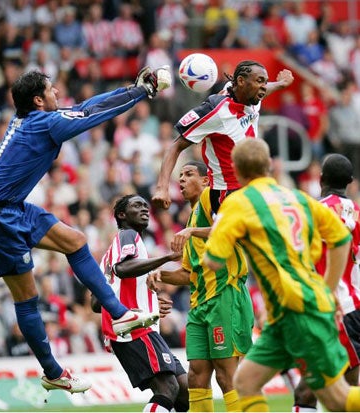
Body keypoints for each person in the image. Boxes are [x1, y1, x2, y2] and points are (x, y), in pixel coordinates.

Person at [0, 67, 171, 393]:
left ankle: (62, 364)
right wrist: (140, 92)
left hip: (5, 206)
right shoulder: (45, 123)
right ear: (39, 99)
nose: (58, 94)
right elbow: (91, 114)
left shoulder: (29, 118)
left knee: (75, 241)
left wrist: (132, 88)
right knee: (27, 296)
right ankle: (106, 324)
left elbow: (87, 105)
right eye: (52, 90)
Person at [203, 139, 360, 412]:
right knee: (246, 382)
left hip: (299, 310)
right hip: (286, 315)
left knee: (337, 400)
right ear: (269, 167)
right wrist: (328, 289)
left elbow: (214, 261)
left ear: (236, 171)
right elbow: (340, 239)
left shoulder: (238, 203)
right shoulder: (298, 197)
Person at [148, 160, 254, 412]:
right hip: (200, 304)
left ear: (206, 181)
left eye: (189, 174)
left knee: (226, 375)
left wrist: (193, 231)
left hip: (225, 296)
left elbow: (231, 228)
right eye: (180, 175)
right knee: (195, 376)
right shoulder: (191, 223)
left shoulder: (210, 199)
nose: (181, 180)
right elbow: (188, 274)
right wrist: (157, 275)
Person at [152, 59, 294, 214]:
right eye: (260, 81)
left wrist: (281, 84)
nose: (264, 87)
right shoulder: (215, 111)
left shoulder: (251, 96)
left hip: (252, 186)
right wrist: (162, 188)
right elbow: (176, 146)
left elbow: (264, 90)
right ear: (241, 81)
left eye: (265, 82)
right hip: (227, 194)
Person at [91, 194, 189, 413]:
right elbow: (123, 268)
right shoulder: (128, 236)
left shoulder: (108, 255)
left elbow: (96, 303)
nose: (145, 208)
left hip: (135, 326)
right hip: (133, 327)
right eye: (137, 205)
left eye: (146, 205)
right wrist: (168, 257)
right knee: (168, 388)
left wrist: (151, 303)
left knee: (184, 391)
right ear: (122, 215)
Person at [293, 153, 360, 412]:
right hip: (351, 307)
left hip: (330, 308)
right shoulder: (357, 213)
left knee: (311, 390)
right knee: (343, 387)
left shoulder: (313, 211)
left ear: (320, 179)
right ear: (350, 182)